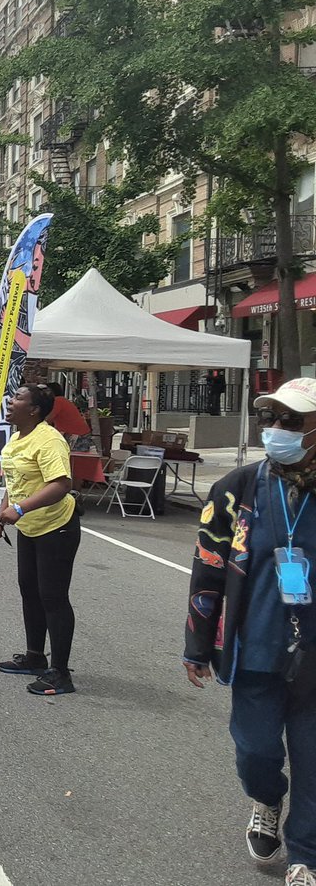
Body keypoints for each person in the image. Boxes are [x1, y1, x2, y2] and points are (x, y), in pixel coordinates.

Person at [184, 378, 316, 886]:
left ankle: (305, 852)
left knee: (313, 758)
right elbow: (208, 568)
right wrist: (197, 644)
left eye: (293, 421)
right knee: (257, 751)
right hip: (256, 647)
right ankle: (266, 796)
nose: (278, 430)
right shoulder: (235, 489)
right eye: (272, 419)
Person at [0, 384, 81, 697]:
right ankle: (35, 657)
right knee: (29, 590)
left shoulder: (49, 440)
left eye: (17, 399)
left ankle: (61, 673)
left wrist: (20, 509)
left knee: (53, 597)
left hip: (57, 527)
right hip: (28, 527)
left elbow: (61, 484)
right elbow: (16, 484)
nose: (10, 402)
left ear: (34, 410)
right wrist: (2, 517)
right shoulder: (16, 438)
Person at [45, 382, 91, 449]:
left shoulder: (58, 401)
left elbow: (47, 420)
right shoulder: (62, 400)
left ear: (50, 392)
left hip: (76, 437)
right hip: (77, 435)